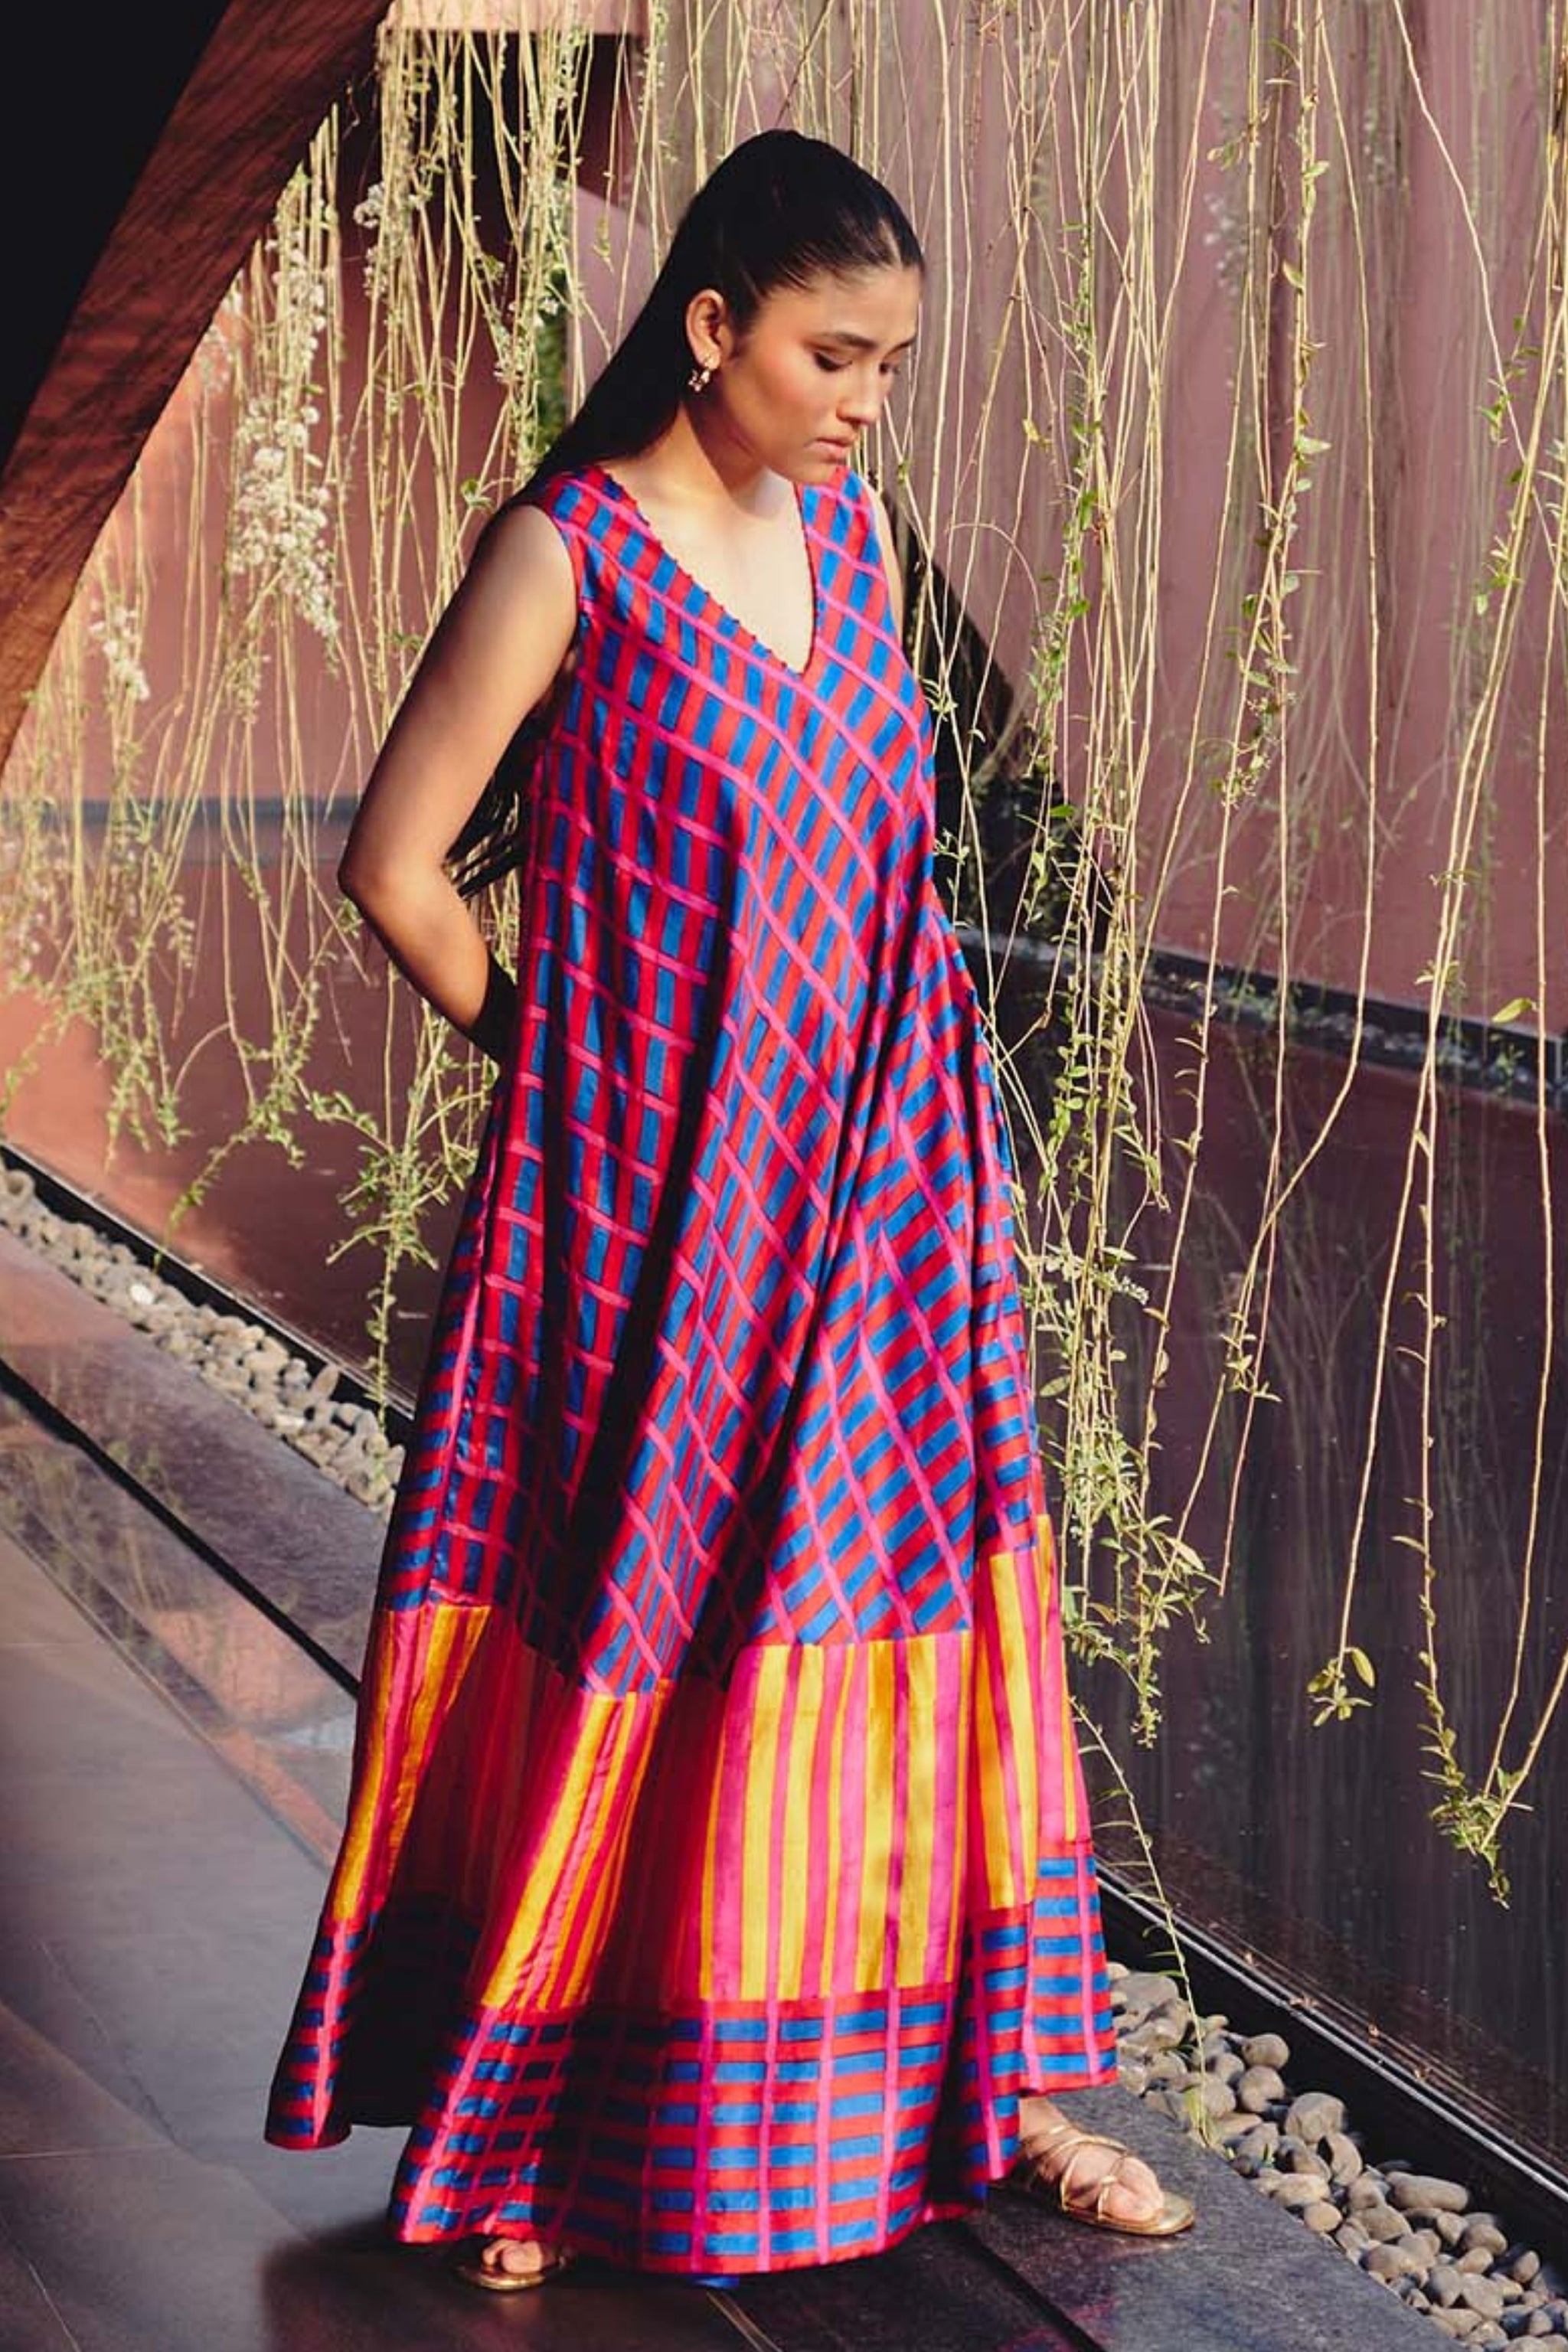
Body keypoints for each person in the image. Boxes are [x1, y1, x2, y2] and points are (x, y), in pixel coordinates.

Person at [265, 127, 1193, 2292]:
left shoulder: (848, 545)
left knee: (906, 1644)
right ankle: (535, 2119)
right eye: (830, 354)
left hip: (889, 1201)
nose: (864, 401)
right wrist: (574, 1074)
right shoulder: (568, 555)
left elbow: (878, 876)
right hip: (653, 1221)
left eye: (888, 365)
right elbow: (397, 868)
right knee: (650, 1626)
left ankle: (1000, 2094)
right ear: (711, 326)